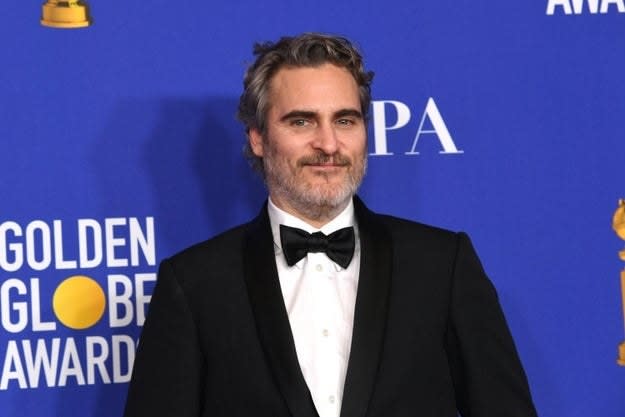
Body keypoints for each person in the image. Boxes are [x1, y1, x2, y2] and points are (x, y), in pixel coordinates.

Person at [123, 33, 538, 417]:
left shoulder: (441, 265)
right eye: (301, 121)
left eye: (345, 120)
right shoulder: (194, 284)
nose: (328, 144)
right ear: (258, 138)